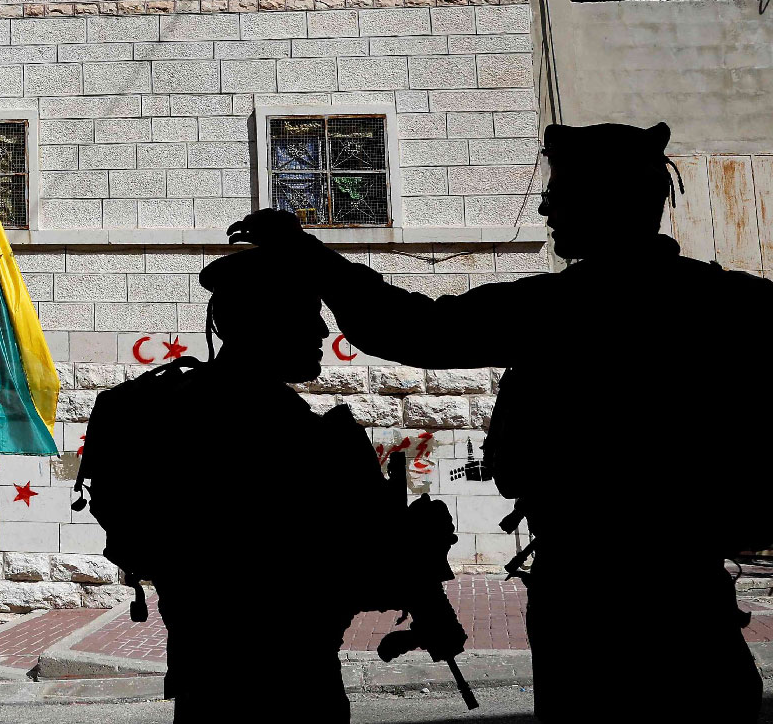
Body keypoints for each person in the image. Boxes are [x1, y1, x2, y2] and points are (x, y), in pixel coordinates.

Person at [228, 122, 771, 722]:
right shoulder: (740, 305)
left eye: (560, 193)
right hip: (688, 589)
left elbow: (415, 329)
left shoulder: (562, 310)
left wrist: (312, 256)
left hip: (591, 588)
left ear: (603, 203)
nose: (545, 206)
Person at [154, 246, 462, 723]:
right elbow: (313, 568)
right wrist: (419, 549)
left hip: (209, 673)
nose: (322, 330)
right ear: (262, 321)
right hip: (284, 681)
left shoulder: (184, 407)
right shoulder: (288, 432)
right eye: (305, 314)